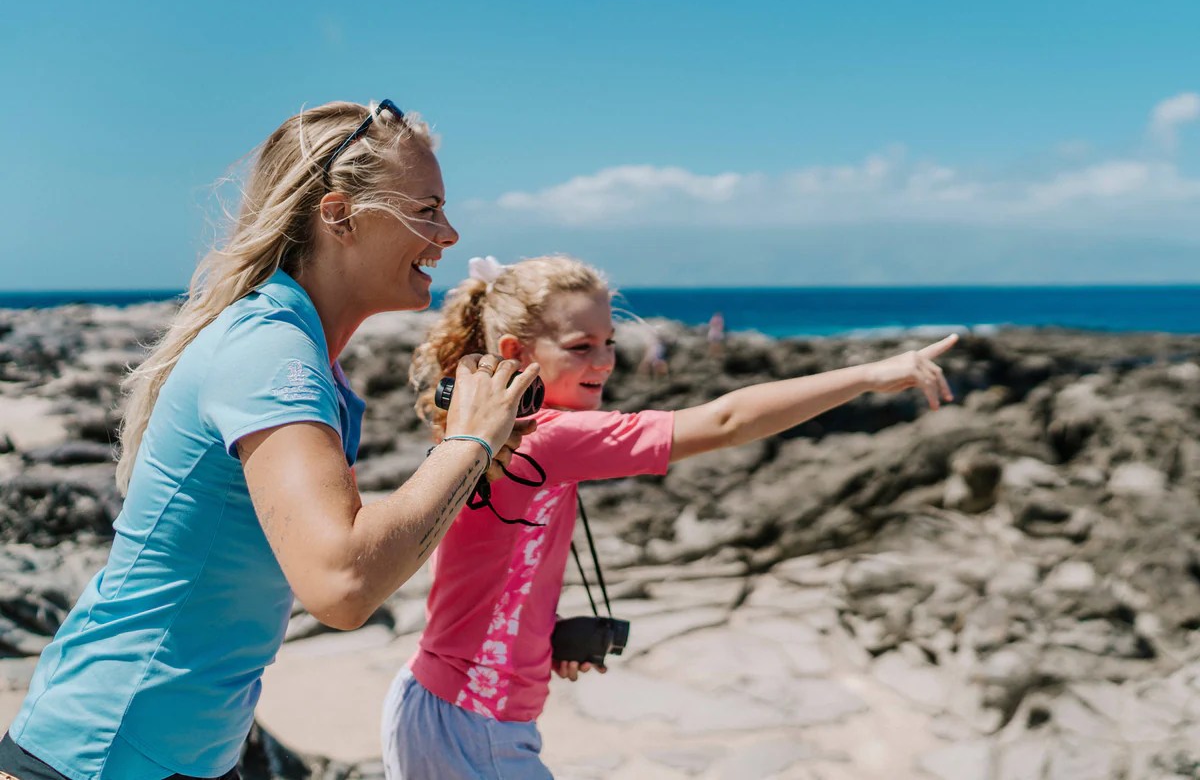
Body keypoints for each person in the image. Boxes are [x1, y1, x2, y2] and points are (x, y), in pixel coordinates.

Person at [0, 100, 539, 780]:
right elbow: (342, 584)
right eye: (426, 209)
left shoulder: (299, 351)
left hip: (176, 752)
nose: (450, 232)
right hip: (105, 750)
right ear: (340, 215)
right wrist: (468, 442)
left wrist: (474, 454)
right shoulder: (273, 352)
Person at [384, 254, 957, 779]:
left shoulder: (507, 436)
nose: (604, 362)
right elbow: (727, 420)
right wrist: (869, 375)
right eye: (581, 346)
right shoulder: (547, 439)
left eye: (609, 342)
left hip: (459, 710)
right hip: (469, 723)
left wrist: (539, 638)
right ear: (515, 353)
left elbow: (487, 572)